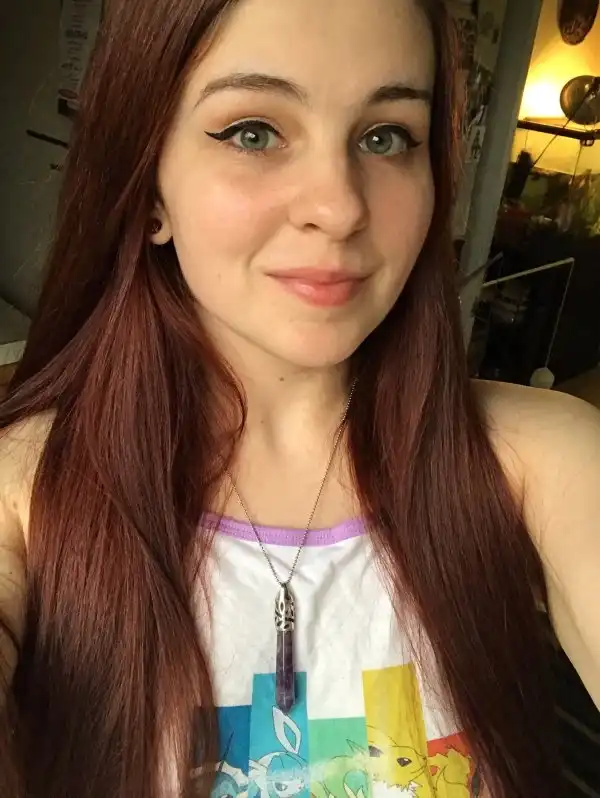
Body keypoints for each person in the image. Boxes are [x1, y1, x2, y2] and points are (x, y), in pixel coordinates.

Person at [0, 0, 598, 796]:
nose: (339, 206)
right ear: (148, 190)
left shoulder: (541, 458)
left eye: (386, 137)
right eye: (253, 132)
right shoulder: (27, 488)